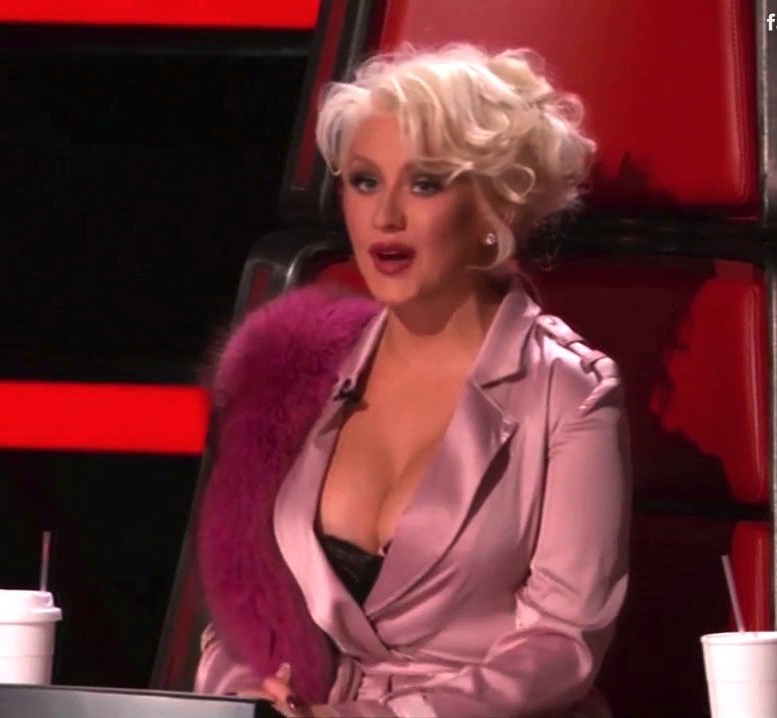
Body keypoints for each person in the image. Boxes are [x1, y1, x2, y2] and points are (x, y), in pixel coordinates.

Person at [192, 43, 630, 718]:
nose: (385, 216)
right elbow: (245, 600)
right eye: (365, 182)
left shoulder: (572, 392)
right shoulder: (300, 367)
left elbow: (561, 645)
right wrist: (243, 690)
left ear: (494, 208)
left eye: (425, 184)